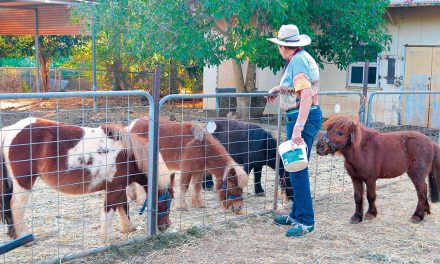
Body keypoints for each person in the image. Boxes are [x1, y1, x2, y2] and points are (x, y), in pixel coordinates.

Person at [266, 24, 323, 237]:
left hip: (301, 118)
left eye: (279, 45)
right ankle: (296, 214)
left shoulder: (297, 61)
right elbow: (298, 88)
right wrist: (278, 89)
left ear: (283, 46)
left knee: (298, 169)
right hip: (304, 117)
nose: (279, 49)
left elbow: (306, 94)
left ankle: (306, 221)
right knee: (294, 167)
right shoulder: (301, 58)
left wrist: (298, 127)